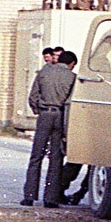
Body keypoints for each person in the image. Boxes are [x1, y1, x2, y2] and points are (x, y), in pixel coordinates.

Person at [22, 50, 78, 208]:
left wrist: (38, 110)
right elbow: (70, 102)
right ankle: (51, 199)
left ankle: (29, 196)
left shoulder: (43, 72)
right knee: (56, 159)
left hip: (44, 115)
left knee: (36, 156)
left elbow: (33, 97)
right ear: (71, 63)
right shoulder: (72, 77)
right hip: (60, 115)